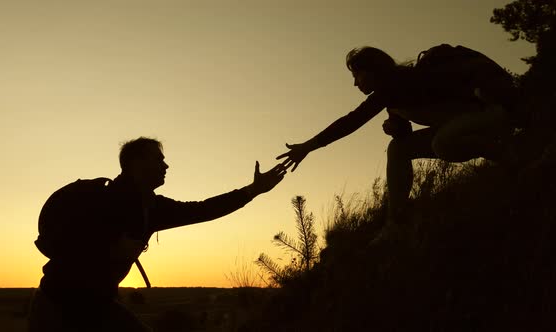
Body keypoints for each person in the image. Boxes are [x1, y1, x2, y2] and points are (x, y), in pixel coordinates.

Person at [28, 137, 287, 331]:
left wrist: (252, 190)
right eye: (158, 159)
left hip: (98, 307)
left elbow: (202, 210)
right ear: (135, 163)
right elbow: (71, 243)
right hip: (58, 307)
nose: (166, 165)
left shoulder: (151, 207)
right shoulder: (104, 199)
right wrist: (108, 246)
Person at [277, 45, 519, 241]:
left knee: (442, 144)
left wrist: (307, 147)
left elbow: (351, 121)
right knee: (399, 149)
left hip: (493, 113)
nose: (355, 83)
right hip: (467, 122)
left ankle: (508, 154)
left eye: (357, 75)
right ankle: (397, 221)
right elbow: (405, 135)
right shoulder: (393, 94)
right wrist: (395, 127)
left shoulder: (396, 83)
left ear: (373, 70)